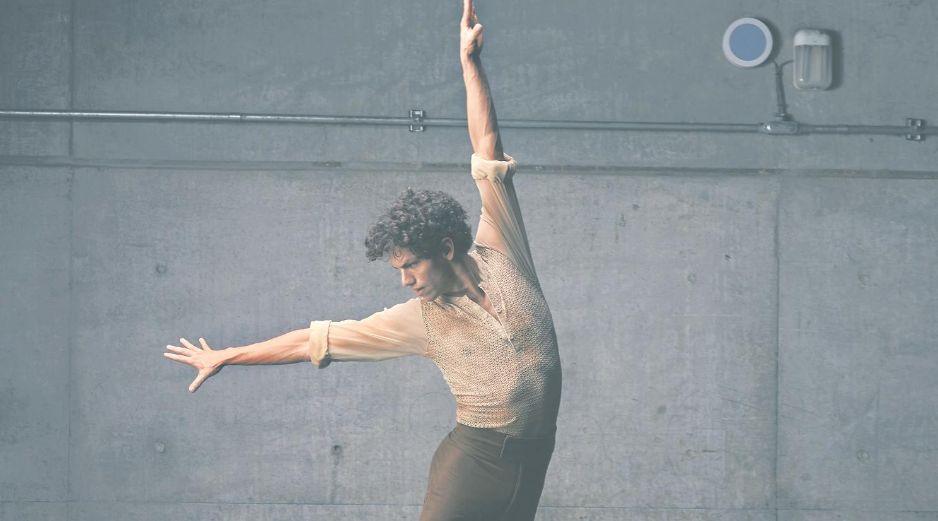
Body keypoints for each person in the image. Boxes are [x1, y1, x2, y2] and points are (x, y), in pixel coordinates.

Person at [163, 1, 561, 519]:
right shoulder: (420, 320)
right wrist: (226, 355)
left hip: (533, 461)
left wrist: (470, 65)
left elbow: (486, 146)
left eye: (410, 266)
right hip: (474, 465)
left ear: (445, 249)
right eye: (398, 270)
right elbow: (313, 339)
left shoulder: (503, 246)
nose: (404, 281)